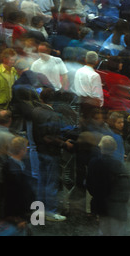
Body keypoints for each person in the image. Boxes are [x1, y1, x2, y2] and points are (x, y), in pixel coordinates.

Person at [32, 87, 73, 222]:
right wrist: (64, 144)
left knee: (42, 181)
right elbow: (49, 137)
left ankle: (40, 210)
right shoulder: (53, 115)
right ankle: (51, 211)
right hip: (51, 153)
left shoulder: (36, 111)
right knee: (51, 183)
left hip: (40, 151)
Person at [86, 135, 130, 236]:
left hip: (101, 205)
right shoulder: (118, 165)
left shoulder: (93, 163)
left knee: (103, 229)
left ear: (100, 146)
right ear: (115, 148)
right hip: (116, 208)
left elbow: (90, 185)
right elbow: (126, 188)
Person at [2, 136, 36, 221]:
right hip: (16, 209)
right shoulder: (13, 167)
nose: (27, 150)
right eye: (26, 147)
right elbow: (16, 192)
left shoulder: (17, 163)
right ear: (21, 150)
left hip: (19, 207)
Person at [74, 51, 104, 119]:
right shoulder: (95, 75)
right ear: (97, 61)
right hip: (90, 106)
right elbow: (97, 96)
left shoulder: (78, 71)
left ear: (85, 59)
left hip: (79, 101)